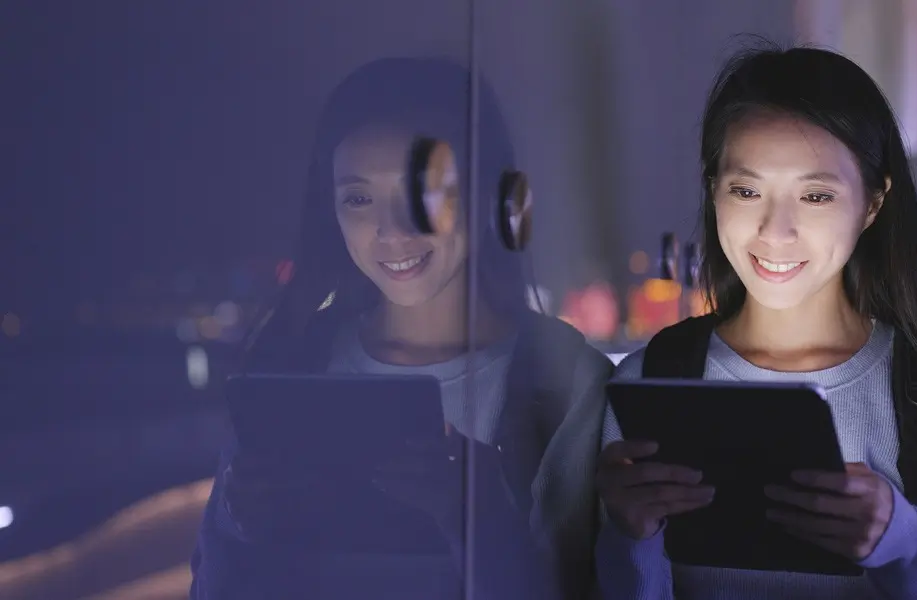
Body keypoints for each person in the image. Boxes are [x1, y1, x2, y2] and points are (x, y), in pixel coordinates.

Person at [594, 45, 917, 599]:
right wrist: (630, 540)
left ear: (873, 204)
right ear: (713, 190)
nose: (776, 230)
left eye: (816, 195)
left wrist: (905, 542)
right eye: (746, 190)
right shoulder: (651, 383)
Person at [189, 57, 612, 599]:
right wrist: (241, 527)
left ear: (488, 194)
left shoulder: (567, 383)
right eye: (358, 198)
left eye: (424, 188)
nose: (390, 229)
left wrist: (483, 522)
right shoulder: (294, 364)